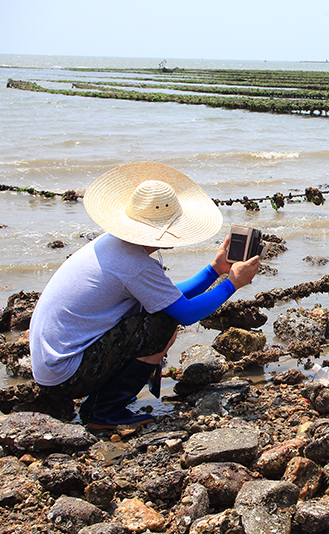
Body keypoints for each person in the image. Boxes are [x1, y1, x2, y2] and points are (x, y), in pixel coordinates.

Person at [29, 162, 261, 429]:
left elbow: (170, 298)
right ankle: (105, 411)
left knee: (160, 312)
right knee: (162, 325)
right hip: (65, 375)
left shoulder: (116, 245)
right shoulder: (133, 263)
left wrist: (214, 271)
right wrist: (232, 283)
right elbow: (185, 313)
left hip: (54, 366)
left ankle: (100, 403)